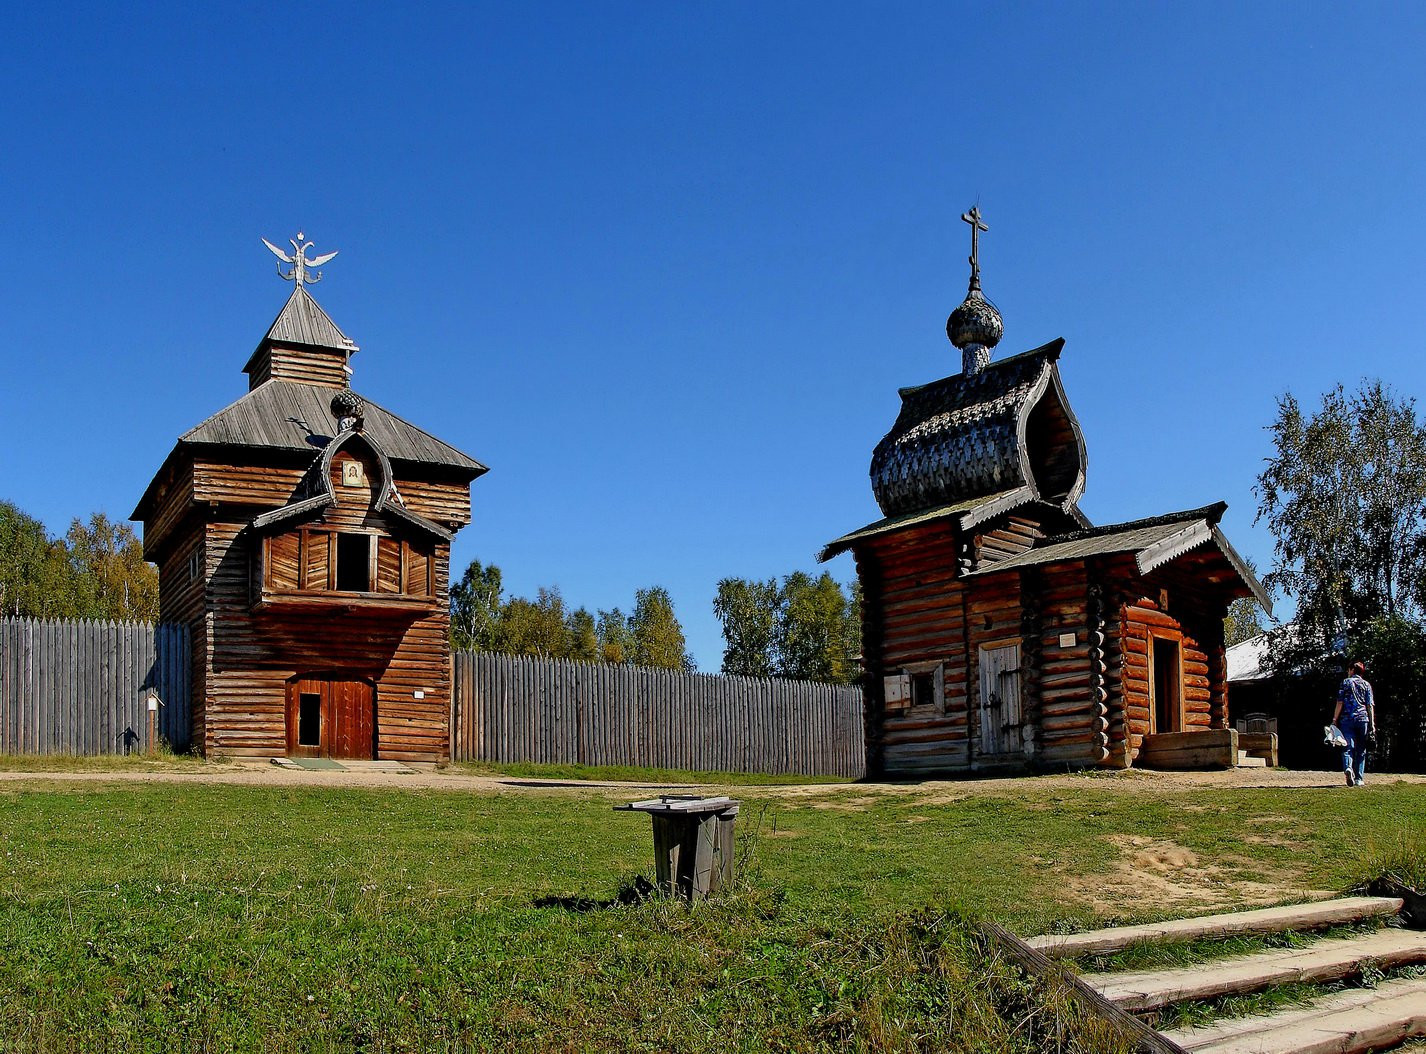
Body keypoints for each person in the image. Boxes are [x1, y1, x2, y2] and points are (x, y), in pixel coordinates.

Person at [1331, 661, 1375, 786]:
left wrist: (1335, 719)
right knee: (1361, 749)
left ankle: (1348, 768)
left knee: (1347, 746)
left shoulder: (1345, 682)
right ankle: (1359, 778)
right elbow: (1369, 705)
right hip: (1363, 719)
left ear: (1351, 670)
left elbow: (1340, 702)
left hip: (1347, 719)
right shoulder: (1366, 685)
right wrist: (1372, 724)